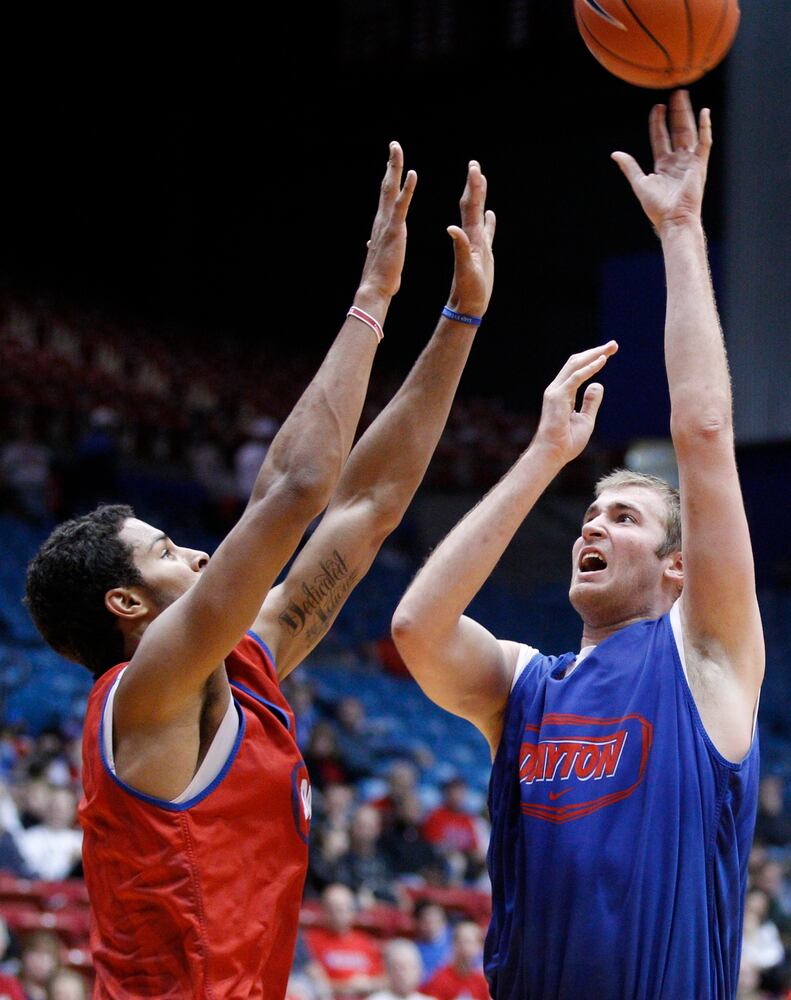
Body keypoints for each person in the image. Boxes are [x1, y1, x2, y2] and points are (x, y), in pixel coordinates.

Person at [24, 143, 496, 999]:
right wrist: (371, 299)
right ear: (126, 603)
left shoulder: (245, 662)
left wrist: (459, 320)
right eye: (167, 552)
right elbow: (296, 486)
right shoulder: (149, 692)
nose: (199, 553)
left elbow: (367, 506)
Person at [392, 91, 763, 999]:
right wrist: (542, 457)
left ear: (678, 567)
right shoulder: (526, 687)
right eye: (590, 516)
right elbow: (415, 626)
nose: (593, 526)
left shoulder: (706, 657)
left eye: (624, 518)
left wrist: (679, 229)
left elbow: (704, 430)